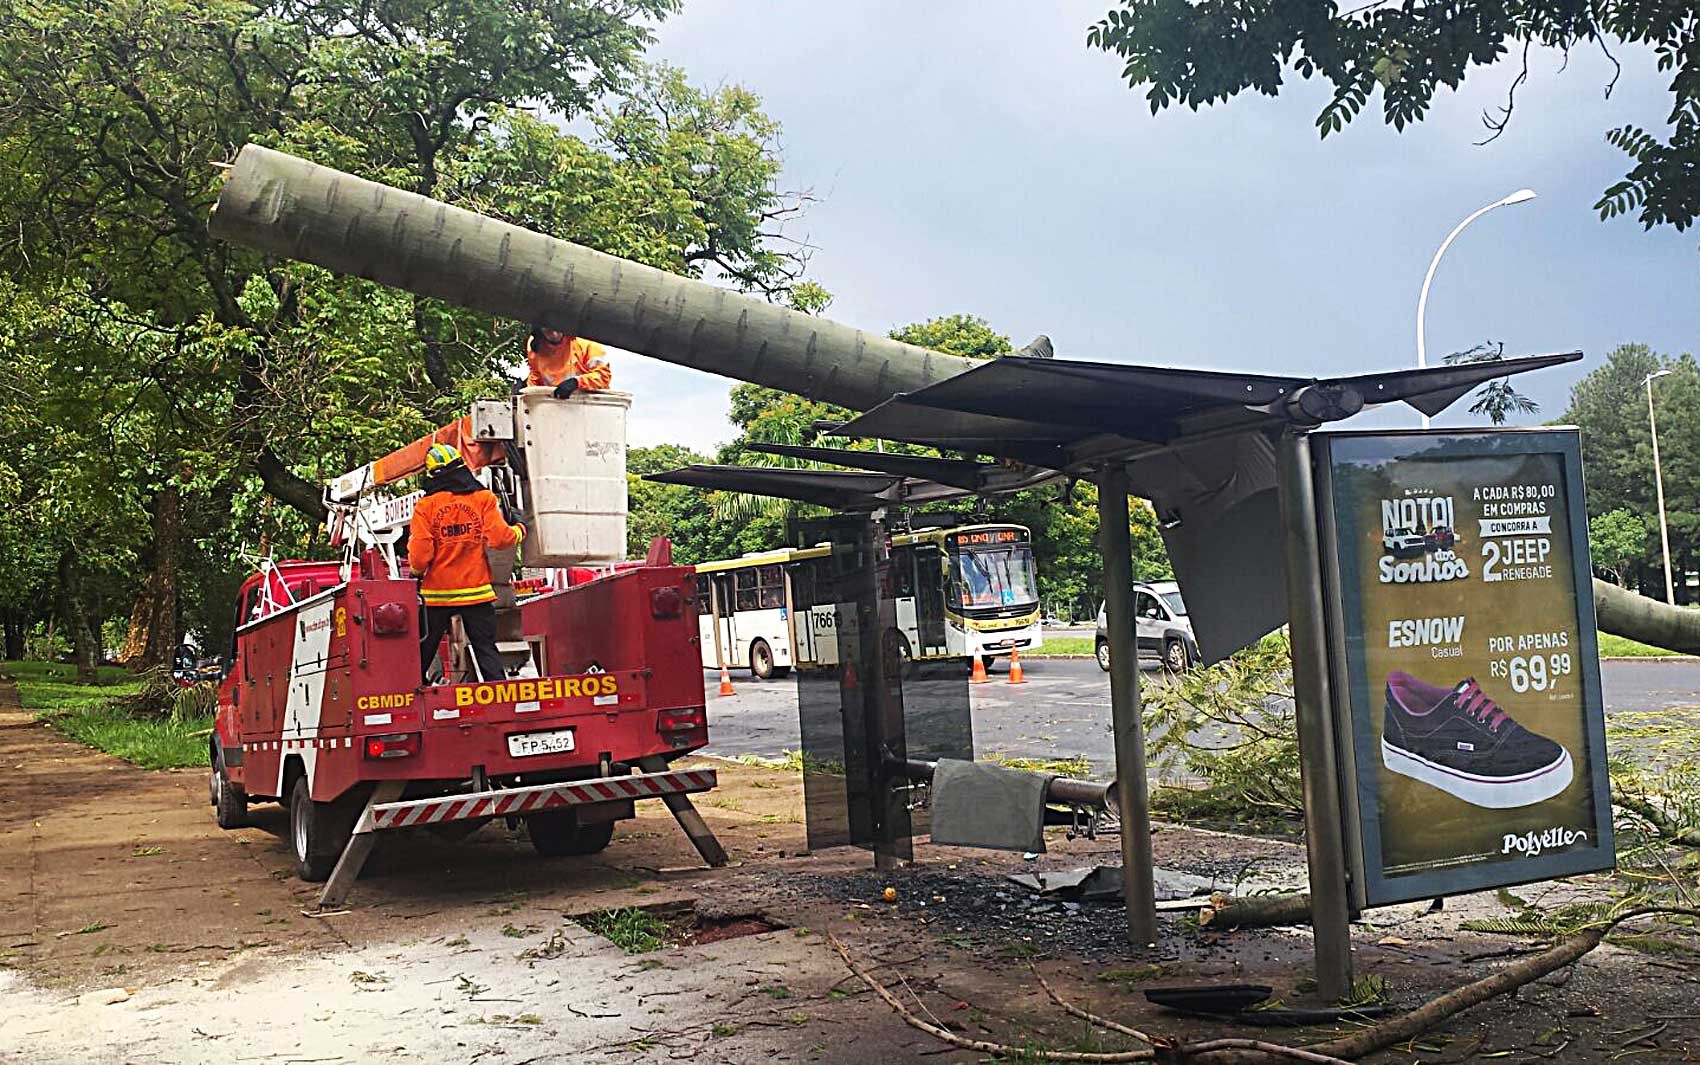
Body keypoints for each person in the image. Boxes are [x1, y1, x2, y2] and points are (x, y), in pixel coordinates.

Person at [408, 443, 526, 684]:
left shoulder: (426, 506)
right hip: (477, 593)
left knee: (421, 654)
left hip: (437, 595)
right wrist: (520, 529)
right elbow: (500, 538)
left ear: (432, 475)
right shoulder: (482, 498)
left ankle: (413, 700)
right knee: (486, 651)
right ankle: (501, 698)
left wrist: (416, 571)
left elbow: (420, 553)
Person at [525, 325, 612, 397]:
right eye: (548, 330)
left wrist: (577, 382)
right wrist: (526, 392)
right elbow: (536, 376)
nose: (554, 334)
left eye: (557, 328)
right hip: (553, 405)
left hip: (589, 404)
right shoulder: (535, 346)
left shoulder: (586, 342)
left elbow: (603, 377)